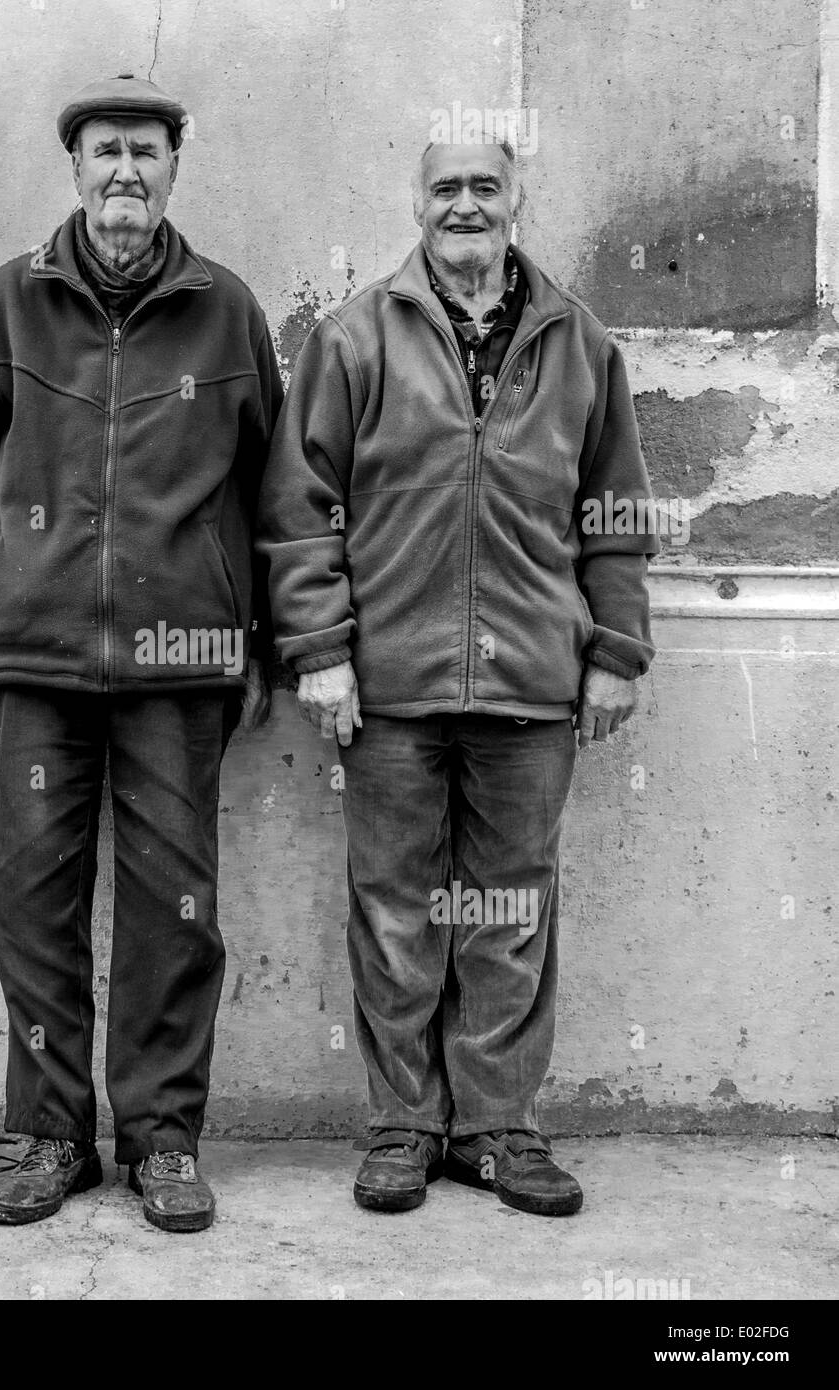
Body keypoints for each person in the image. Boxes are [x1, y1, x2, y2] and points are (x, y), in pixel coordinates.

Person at [0, 74, 282, 1233]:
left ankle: (162, 1140)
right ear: (74, 169)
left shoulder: (226, 311)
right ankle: (53, 1133)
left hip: (183, 666)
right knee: (30, 902)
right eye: (106, 151)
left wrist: (267, 642)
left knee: (174, 912)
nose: (126, 171)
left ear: (175, 170)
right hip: (41, 662)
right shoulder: (7, 305)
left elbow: (276, 494)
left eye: (147, 153)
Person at [259, 135, 658, 1218]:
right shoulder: (355, 336)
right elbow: (298, 514)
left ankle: (495, 1130)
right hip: (388, 684)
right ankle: (401, 1126)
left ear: (518, 198)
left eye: (486, 186)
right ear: (418, 202)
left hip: (533, 681)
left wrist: (615, 649)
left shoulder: (578, 341)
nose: (465, 205)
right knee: (395, 911)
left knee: (509, 911)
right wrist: (322, 650)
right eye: (446, 188)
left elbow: (613, 511)